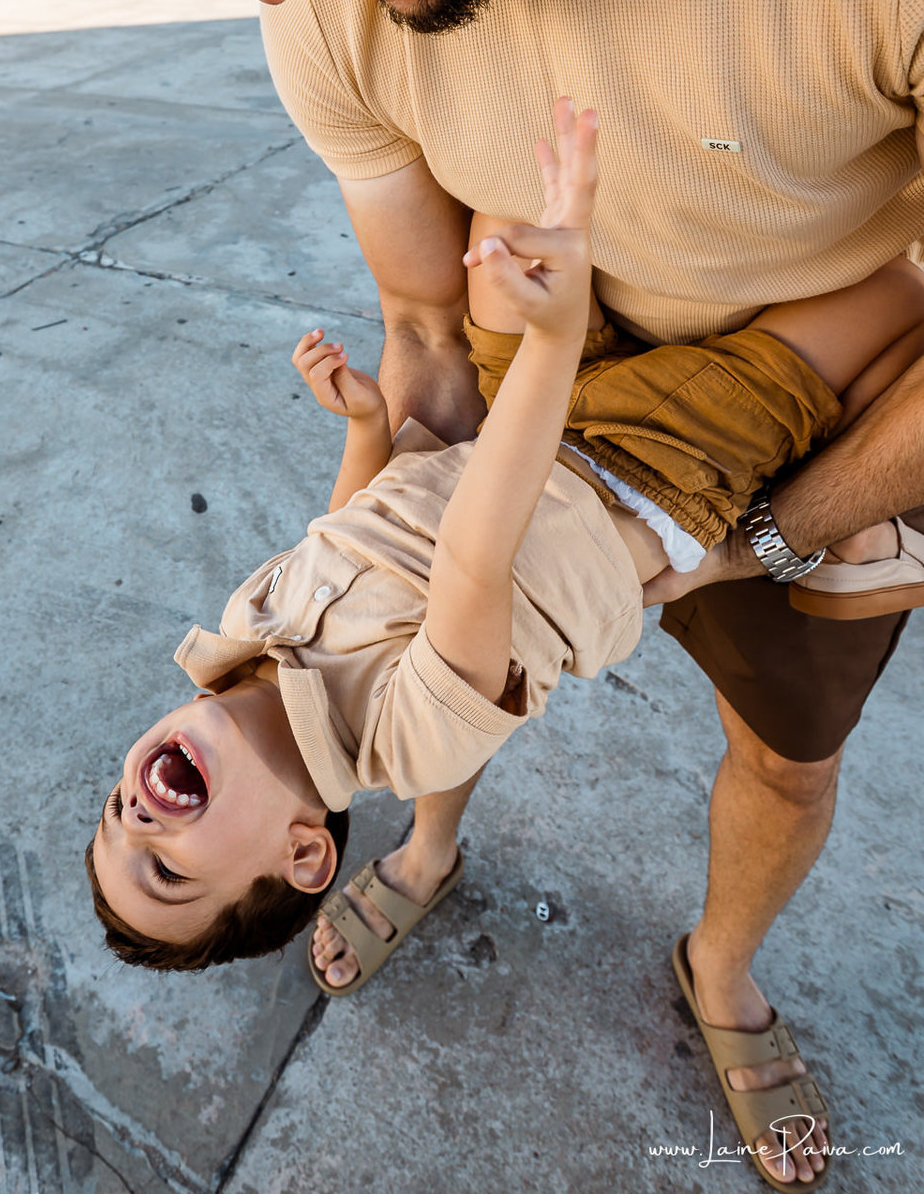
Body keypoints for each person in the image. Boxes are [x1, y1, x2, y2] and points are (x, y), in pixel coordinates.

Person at [0, 0, 924, 1182]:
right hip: (528, 375)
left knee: (784, 761)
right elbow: (426, 360)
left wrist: (781, 533)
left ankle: (719, 973)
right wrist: (397, 411)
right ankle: (421, 847)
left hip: (820, 411)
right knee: (413, 694)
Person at [88, 109, 924, 1187]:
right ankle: (860, 497)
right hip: (654, 463)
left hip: (542, 425)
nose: (138, 815)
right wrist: (554, 337)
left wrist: (361, 429)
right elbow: (477, 555)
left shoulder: (239, 643)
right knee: (892, 295)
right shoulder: (410, 737)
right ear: (304, 856)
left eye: (114, 817)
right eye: (162, 868)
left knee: (515, 210)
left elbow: (341, 536)